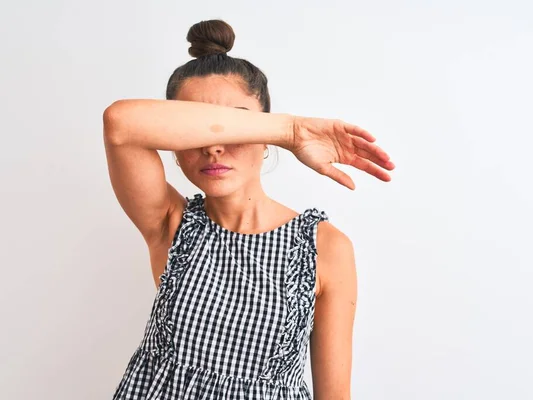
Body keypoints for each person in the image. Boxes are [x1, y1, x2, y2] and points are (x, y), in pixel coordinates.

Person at [103, 19, 394, 400]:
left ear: (263, 138)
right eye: (199, 129)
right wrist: (290, 130)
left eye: (237, 125)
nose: (214, 147)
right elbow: (120, 123)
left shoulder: (326, 247)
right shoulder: (169, 223)